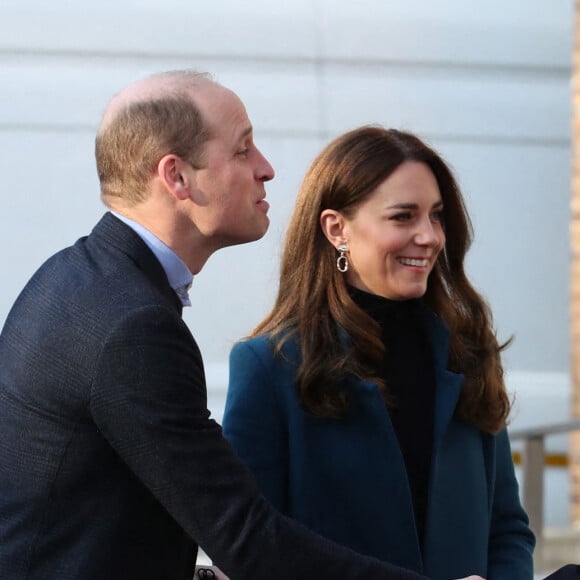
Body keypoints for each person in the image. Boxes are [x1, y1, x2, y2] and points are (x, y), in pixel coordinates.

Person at [0, 72, 456, 580]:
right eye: (243, 151)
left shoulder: (76, 277)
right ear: (177, 178)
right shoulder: (133, 326)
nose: (267, 169)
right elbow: (245, 537)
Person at [223, 126, 536, 580]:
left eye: (436, 216)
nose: (429, 237)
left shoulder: (466, 352)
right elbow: (251, 549)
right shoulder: (272, 366)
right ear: (337, 229)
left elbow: (507, 529)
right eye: (403, 217)